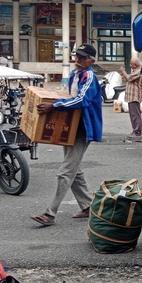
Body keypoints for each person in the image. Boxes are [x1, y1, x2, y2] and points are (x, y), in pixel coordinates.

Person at [31, 43, 104, 224]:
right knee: (74, 169)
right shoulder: (75, 74)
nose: (77, 60)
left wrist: (54, 105)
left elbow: (81, 99)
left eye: (82, 57)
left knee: (66, 171)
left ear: (91, 60)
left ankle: (50, 213)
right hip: (71, 125)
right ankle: (88, 206)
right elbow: (69, 96)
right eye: (76, 56)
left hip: (83, 127)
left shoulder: (89, 76)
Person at [119, 56, 142, 141]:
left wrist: (123, 71)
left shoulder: (139, 71)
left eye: (131, 64)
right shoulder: (135, 71)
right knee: (132, 114)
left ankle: (137, 132)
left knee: (135, 115)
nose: (130, 65)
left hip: (135, 96)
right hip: (131, 96)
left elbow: (129, 78)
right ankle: (135, 130)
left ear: (135, 64)